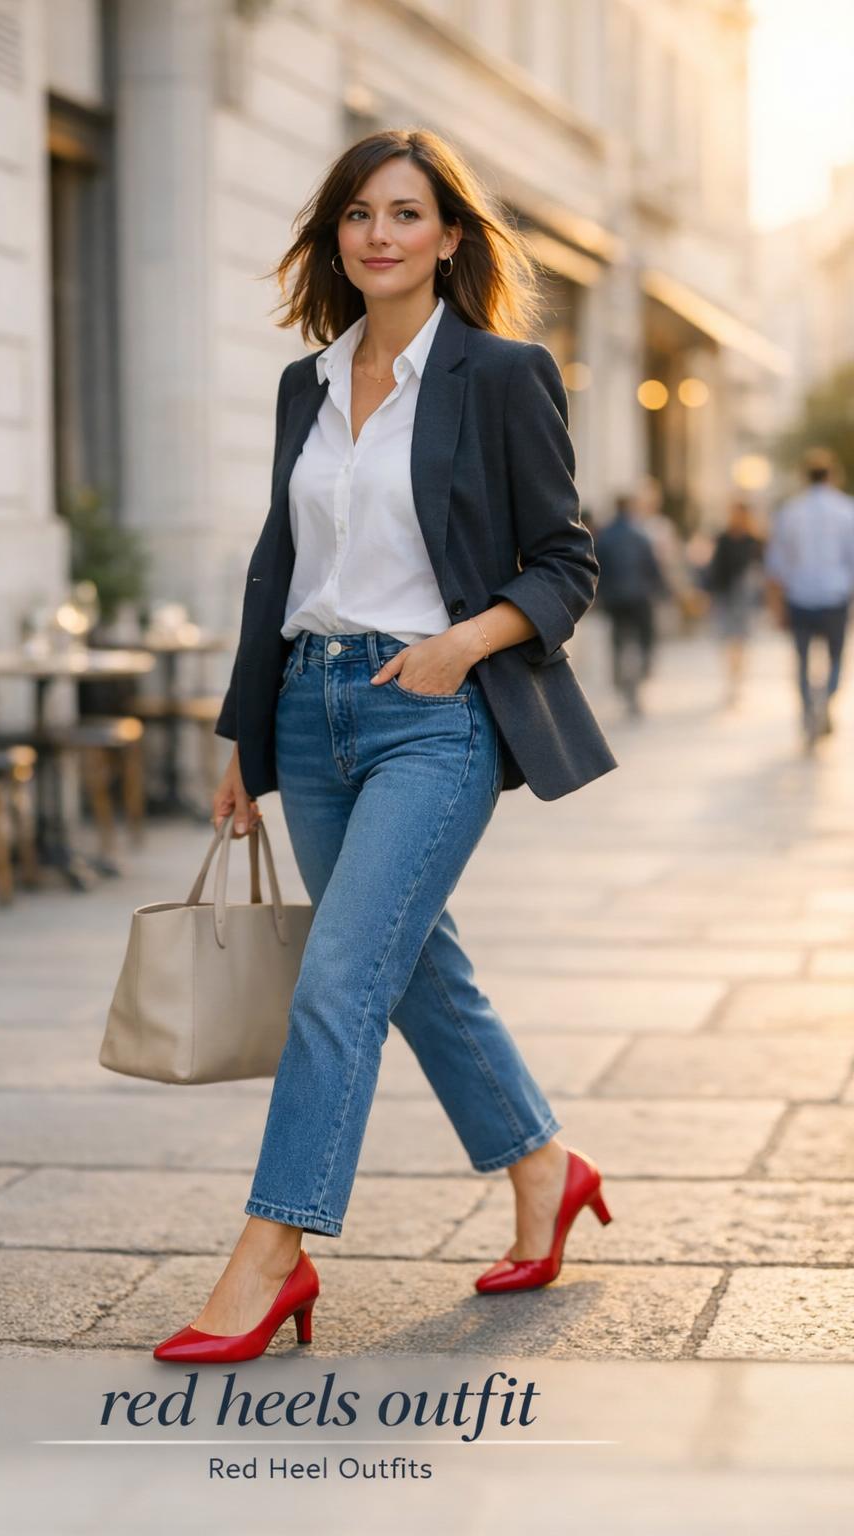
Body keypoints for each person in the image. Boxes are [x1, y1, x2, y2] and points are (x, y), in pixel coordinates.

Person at [151, 128, 618, 1365]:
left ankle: (273, 1254)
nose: (378, 235)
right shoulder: (304, 385)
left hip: (434, 712)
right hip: (309, 711)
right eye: (357, 214)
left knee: (340, 978)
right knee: (415, 970)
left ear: (448, 237)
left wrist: (465, 645)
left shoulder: (503, 373)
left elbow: (568, 562)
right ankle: (546, 1167)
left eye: (404, 214)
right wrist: (242, 734)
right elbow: (279, 571)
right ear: (334, 235)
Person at [765, 448, 854, 744]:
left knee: (802, 660)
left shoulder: (790, 512)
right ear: (831, 475)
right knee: (836, 658)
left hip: (800, 597)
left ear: (805, 476)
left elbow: (776, 564)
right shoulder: (846, 510)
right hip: (835, 597)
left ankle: (808, 709)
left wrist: (776, 605)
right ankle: (825, 699)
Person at [593, 493, 670, 715]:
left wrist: (598, 594)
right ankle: (644, 667)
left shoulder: (604, 536)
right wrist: (660, 591)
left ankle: (619, 675)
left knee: (618, 639)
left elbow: (596, 567)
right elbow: (653, 568)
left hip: (615, 598)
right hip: (640, 597)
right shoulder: (641, 534)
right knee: (645, 637)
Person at [702, 499, 765, 708]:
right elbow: (715, 569)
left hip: (745, 598)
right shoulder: (723, 539)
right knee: (727, 640)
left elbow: (761, 570)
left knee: (742, 640)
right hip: (726, 596)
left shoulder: (755, 541)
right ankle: (732, 679)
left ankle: (738, 680)